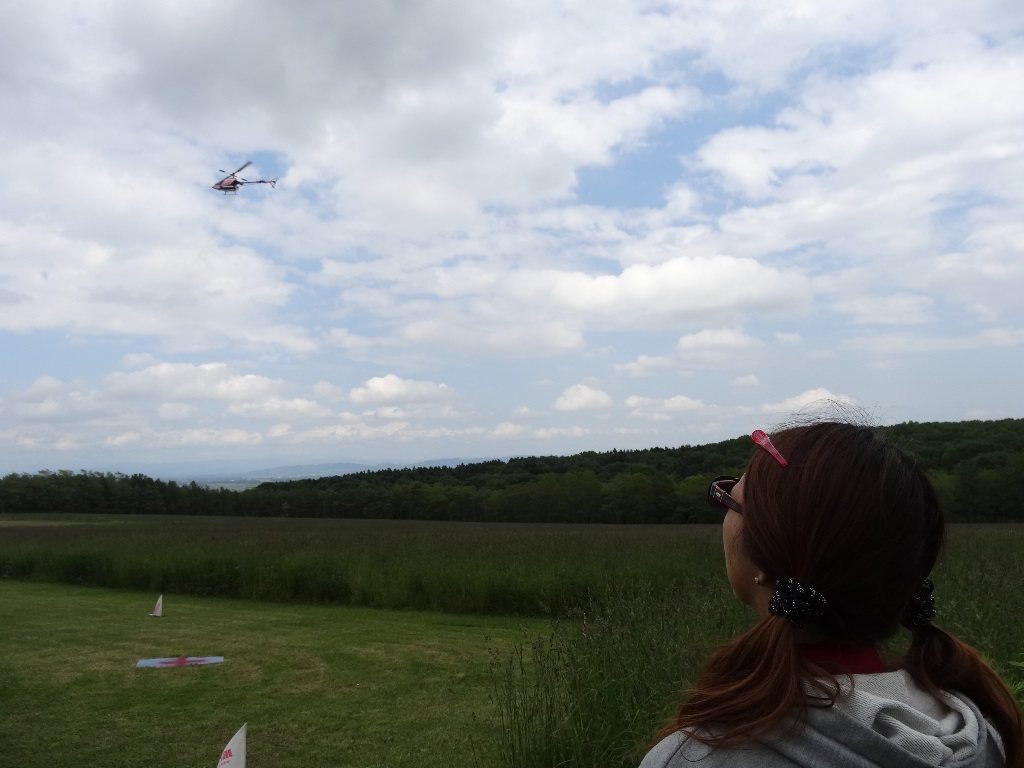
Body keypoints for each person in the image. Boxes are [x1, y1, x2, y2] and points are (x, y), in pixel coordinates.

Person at [641, 422, 1023, 768]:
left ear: (766, 560)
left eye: (726, 499)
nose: (722, 509)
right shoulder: (985, 740)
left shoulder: (695, 757)